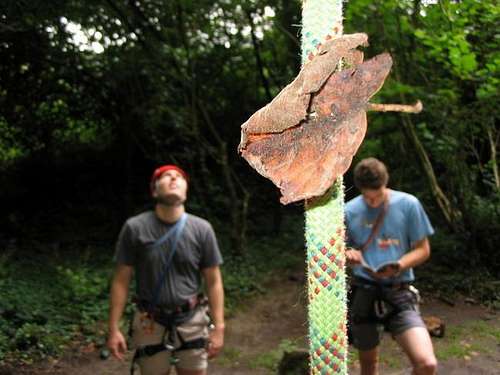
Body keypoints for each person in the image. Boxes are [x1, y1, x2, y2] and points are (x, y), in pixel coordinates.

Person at [107, 164, 225, 375]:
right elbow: (120, 280)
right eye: (166, 176)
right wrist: (114, 329)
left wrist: (219, 327)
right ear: (154, 190)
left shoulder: (202, 229)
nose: (173, 179)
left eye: (179, 177)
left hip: (191, 320)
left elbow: (214, 281)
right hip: (149, 322)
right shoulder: (135, 228)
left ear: (186, 190)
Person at [345, 157, 437, 375]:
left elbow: (424, 249)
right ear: (360, 190)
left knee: (426, 364)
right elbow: (338, 254)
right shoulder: (348, 210)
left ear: (386, 183)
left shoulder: (408, 204)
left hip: (399, 290)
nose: (374, 202)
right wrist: (348, 255)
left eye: (378, 196)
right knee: (368, 365)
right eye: (368, 198)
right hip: (364, 291)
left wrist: (400, 264)